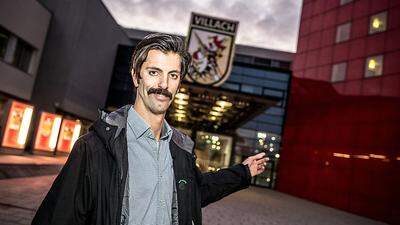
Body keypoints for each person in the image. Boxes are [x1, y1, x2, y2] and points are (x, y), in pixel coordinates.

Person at [32, 33, 268, 225]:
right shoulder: (95, 148)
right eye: (154, 72)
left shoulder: (180, 149)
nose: (163, 85)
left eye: (172, 75)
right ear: (136, 76)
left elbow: (198, 190)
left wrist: (243, 173)